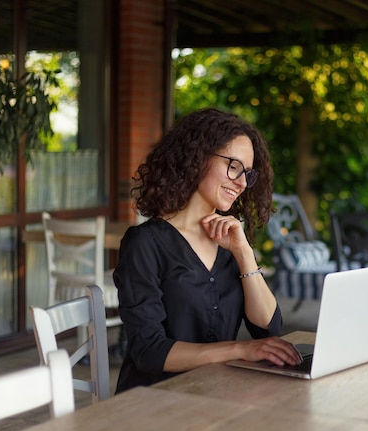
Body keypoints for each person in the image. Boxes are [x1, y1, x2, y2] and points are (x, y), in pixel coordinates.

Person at [114, 108, 302, 393]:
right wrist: (241, 350)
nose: (241, 183)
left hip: (217, 392)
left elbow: (268, 329)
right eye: (233, 166)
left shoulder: (229, 242)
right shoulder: (145, 243)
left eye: (247, 174)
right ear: (197, 158)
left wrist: (244, 253)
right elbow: (149, 350)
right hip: (155, 403)